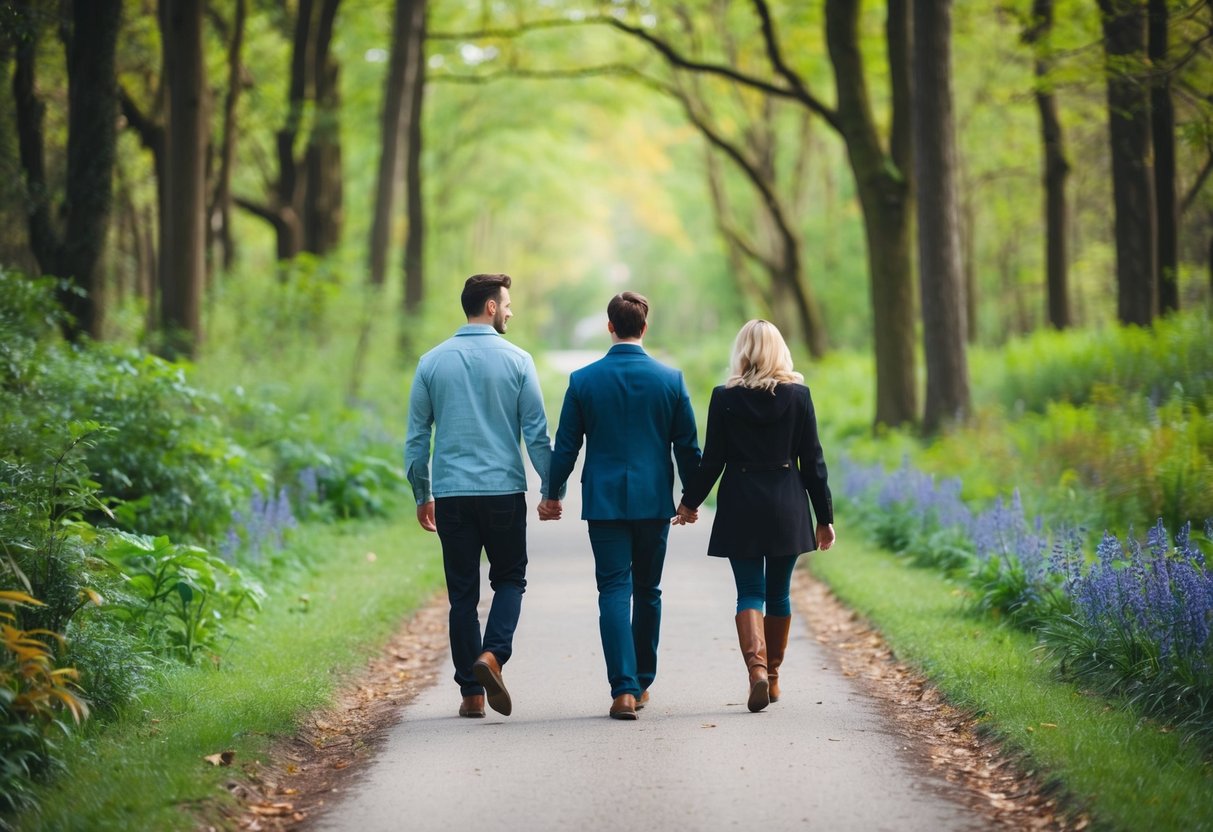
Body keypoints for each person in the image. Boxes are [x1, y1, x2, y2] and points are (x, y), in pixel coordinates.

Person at [404, 274, 560, 719]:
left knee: (462, 596)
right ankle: (493, 655)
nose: (510, 311)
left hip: (451, 494)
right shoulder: (518, 360)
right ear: (490, 307)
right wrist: (551, 489)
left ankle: (471, 695)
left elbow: (417, 438)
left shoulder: (431, 362)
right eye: (507, 304)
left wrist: (422, 491)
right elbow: (536, 433)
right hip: (502, 491)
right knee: (510, 579)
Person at [541, 292, 701, 720]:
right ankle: (643, 680)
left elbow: (567, 447)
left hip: (605, 502)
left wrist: (551, 492)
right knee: (648, 591)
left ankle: (623, 689)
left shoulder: (583, 381)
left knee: (613, 589)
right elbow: (688, 448)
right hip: (653, 503)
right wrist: (690, 500)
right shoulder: (671, 381)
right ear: (644, 329)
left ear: (610, 327)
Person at [675, 319, 835, 713]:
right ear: (780, 350)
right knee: (778, 592)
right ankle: (775, 677)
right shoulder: (799, 396)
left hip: (740, 502)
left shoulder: (724, 398)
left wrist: (689, 502)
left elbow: (712, 460)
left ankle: (757, 671)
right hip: (786, 503)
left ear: (743, 352)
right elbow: (812, 461)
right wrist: (824, 516)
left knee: (749, 592)